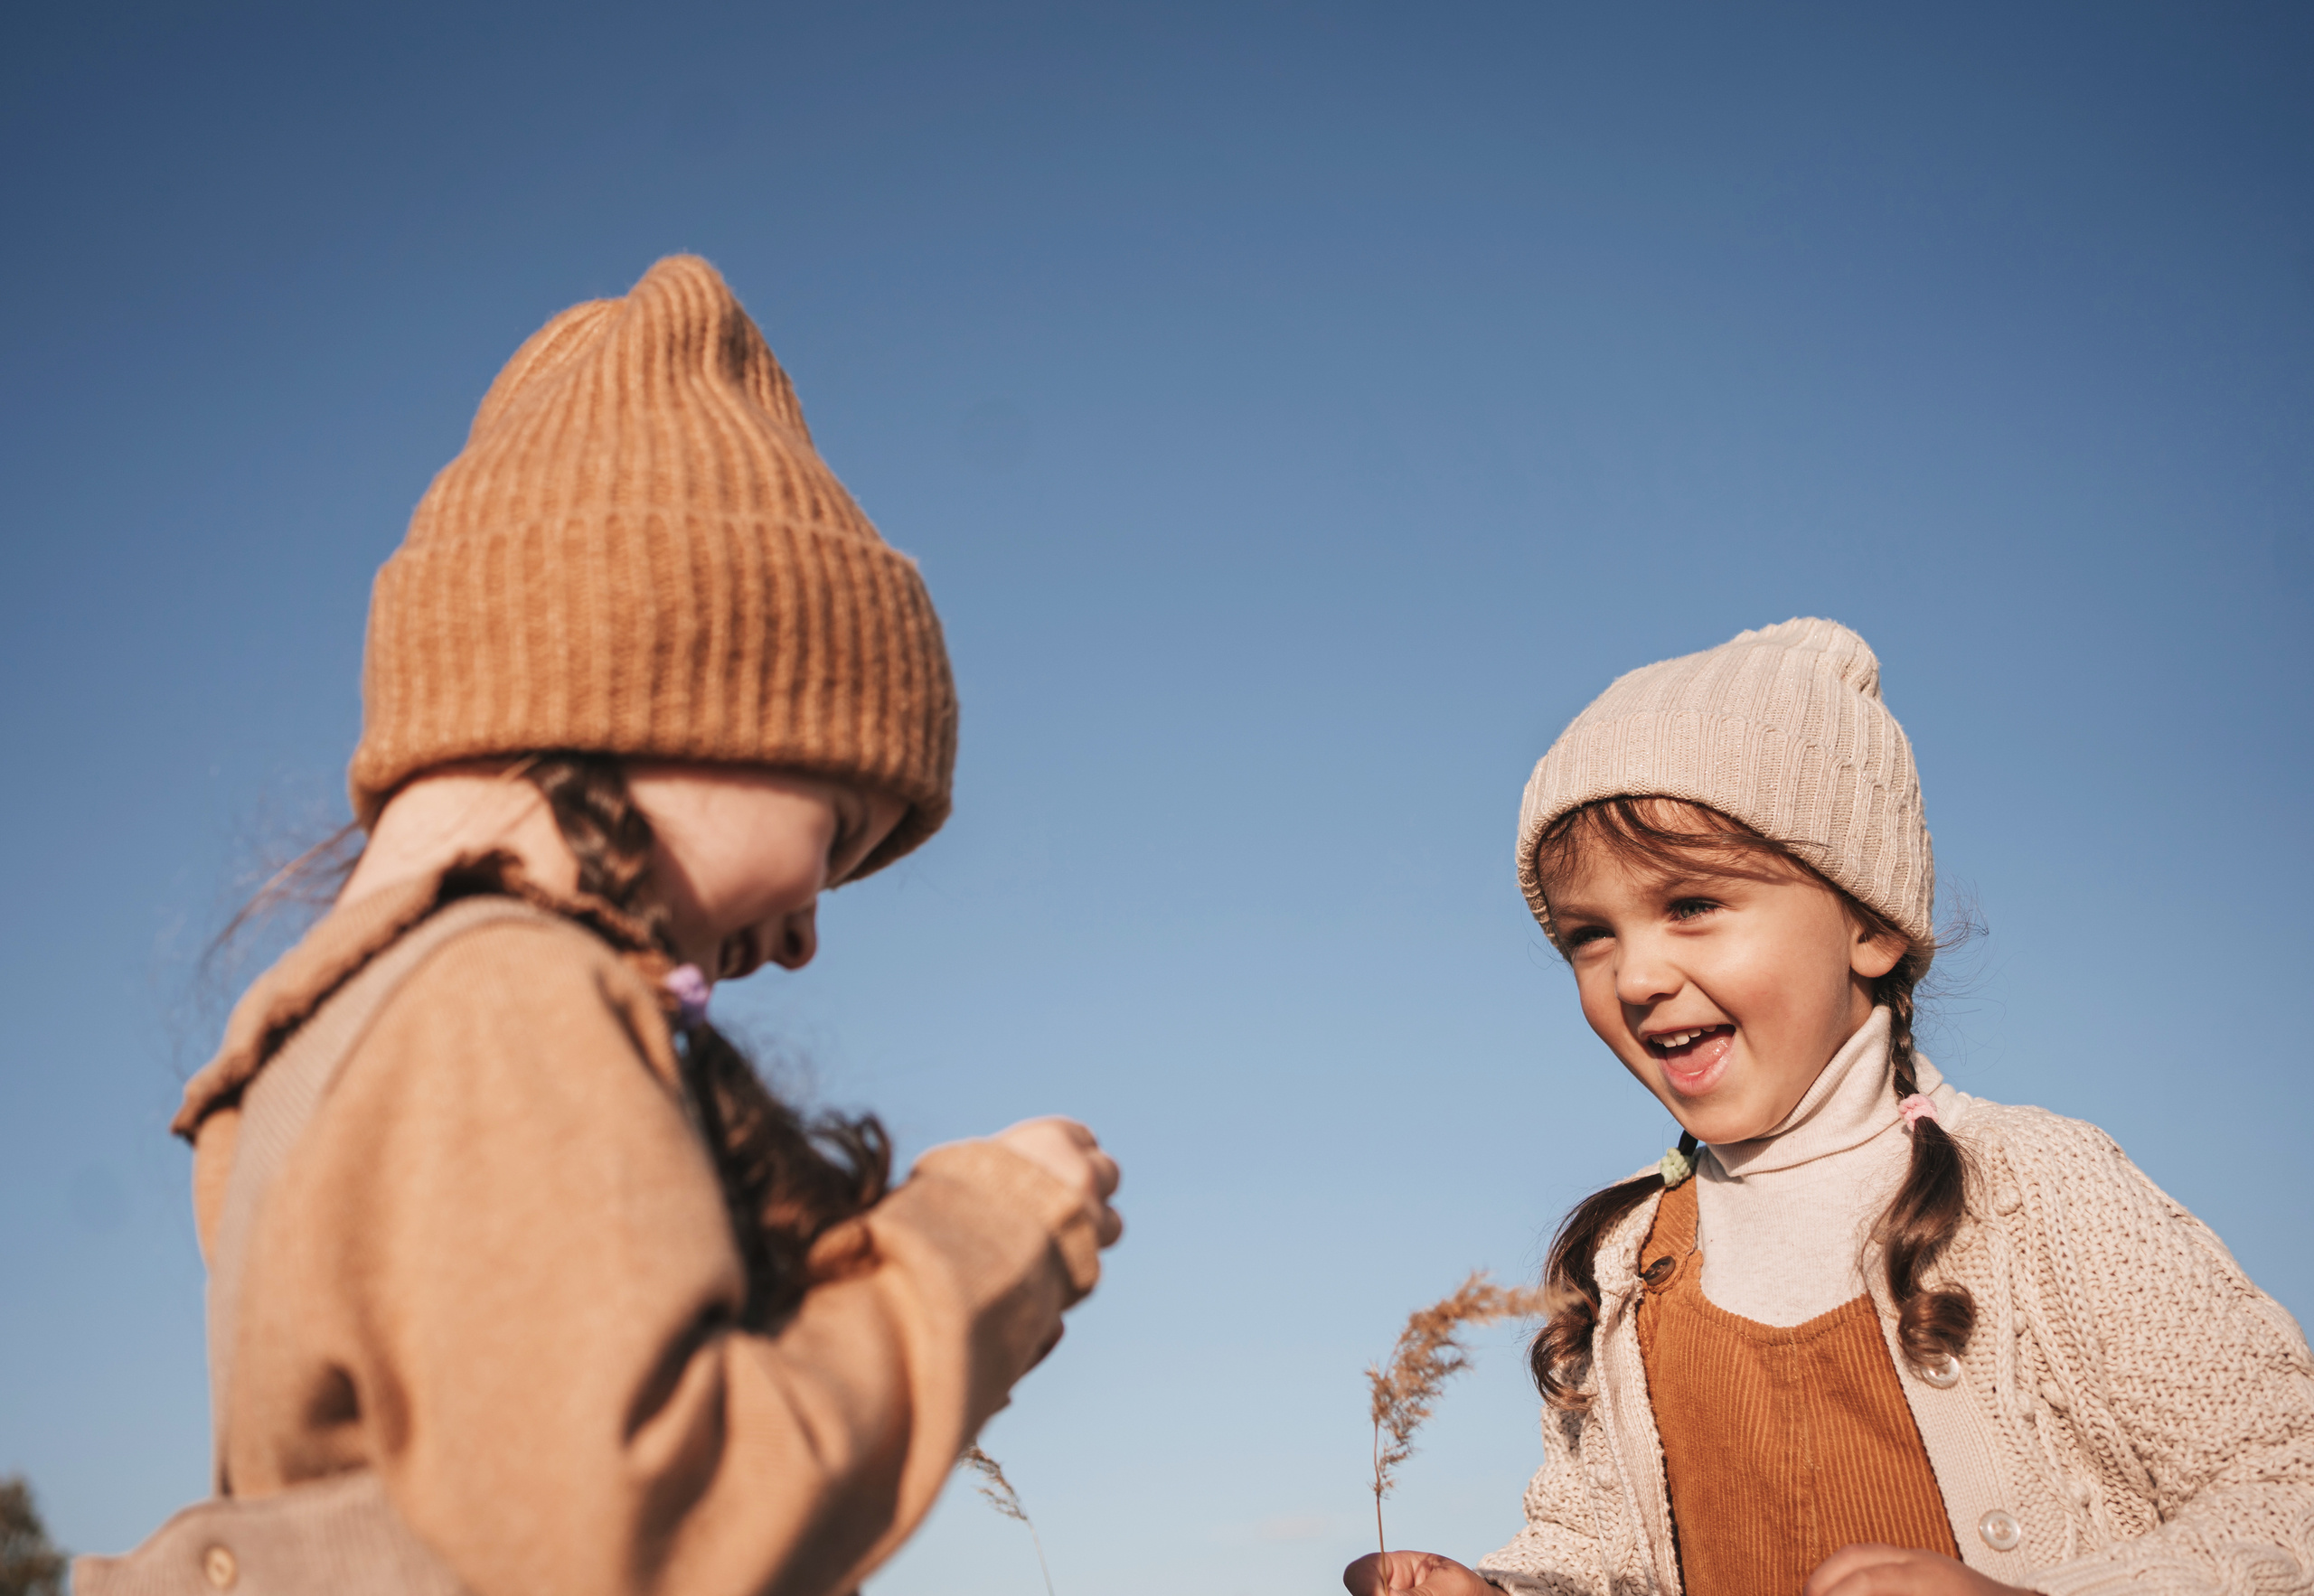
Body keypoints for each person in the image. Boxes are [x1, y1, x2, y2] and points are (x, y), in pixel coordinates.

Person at [88, 256, 1122, 1596]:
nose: (809, 938)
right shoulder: (494, 998)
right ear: (697, 684)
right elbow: (666, 1529)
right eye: (846, 831)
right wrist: (988, 1242)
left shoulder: (348, 1038)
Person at [1344, 618, 2313, 1596]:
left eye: (1689, 904)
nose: (1635, 974)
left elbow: (2287, 1494)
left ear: (1870, 924)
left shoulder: (2040, 1190)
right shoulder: (1626, 1260)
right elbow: (1596, 1555)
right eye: (1589, 935)